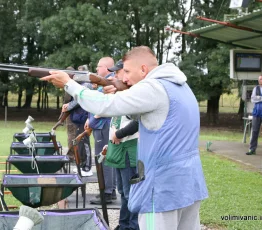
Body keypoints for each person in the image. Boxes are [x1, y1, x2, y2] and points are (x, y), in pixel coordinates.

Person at [41, 46, 208, 230]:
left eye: (127, 71)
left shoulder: (153, 87)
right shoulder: (180, 86)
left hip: (161, 188)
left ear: (143, 69)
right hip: (188, 184)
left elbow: (105, 106)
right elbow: (152, 118)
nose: (124, 78)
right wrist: (120, 92)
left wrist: (69, 84)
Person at [103, 59, 140, 230]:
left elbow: (138, 122)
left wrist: (118, 134)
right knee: (122, 192)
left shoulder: (133, 95)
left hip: (128, 150)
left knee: (130, 192)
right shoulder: (121, 95)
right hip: (118, 149)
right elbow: (115, 122)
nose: (114, 75)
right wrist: (109, 143)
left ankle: (131, 226)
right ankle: (124, 224)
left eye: (117, 72)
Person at [86, 57, 117, 204]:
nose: (97, 69)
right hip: (102, 125)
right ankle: (110, 190)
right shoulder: (107, 82)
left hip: (102, 125)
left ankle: (107, 192)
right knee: (105, 158)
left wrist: (93, 119)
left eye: (99, 67)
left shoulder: (110, 83)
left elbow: (104, 106)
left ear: (106, 68)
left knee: (103, 159)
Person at [62, 65, 93, 176]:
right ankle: (82, 165)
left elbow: (77, 100)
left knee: (84, 143)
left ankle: (87, 168)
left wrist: (68, 106)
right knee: (80, 142)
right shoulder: (82, 84)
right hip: (80, 118)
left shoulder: (86, 84)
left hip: (84, 117)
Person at [246, 75, 262, 155]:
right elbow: (253, 99)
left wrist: (258, 98)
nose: (260, 80)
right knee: (255, 131)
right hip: (257, 112)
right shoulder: (256, 88)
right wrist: (260, 98)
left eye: (261, 79)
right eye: (259, 79)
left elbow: (256, 98)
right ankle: (252, 149)